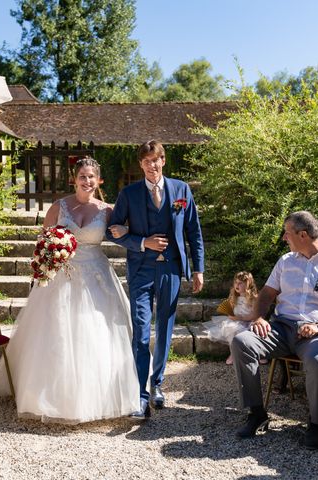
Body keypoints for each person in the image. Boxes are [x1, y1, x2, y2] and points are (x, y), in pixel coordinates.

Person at [0, 157, 139, 423]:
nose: (87, 181)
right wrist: (48, 260)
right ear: (74, 178)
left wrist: (128, 232)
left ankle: (97, 396)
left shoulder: (108, 210)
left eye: (92, 176)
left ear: (99, 180)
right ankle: (49, 395)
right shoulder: (59, 207)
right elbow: (44, 242)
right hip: (62, 276)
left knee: (96, 333)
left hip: (96, 276)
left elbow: (124, 233)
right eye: (82, 176)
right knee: (55, 333)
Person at [231, 211, 318, 449]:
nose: (283, 238)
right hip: (280, 328)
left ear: (303, 235)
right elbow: (267, 294)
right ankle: (257, 414)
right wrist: (259, 316)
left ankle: (315, 424)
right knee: (242, 342)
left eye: (287, 233)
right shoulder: (285, 261)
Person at [106, 140, 205, 419]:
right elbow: (112, 230)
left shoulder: (181, 190)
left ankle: (157, 383)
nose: (152, 165)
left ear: (163, 161)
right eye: (146, 161)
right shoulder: (129, 194)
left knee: (164, 327)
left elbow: (193, 232)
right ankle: (140, 394)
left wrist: (198, 269)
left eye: (156, 160)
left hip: (172, 269)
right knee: (140, 327)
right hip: (141, 270)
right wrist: (142, 242)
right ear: (141, 164)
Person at [206, 271, 259, 365]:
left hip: (249, 321)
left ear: (248, 284)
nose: (237, 285)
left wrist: (240, 318)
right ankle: (233, 354)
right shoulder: (233, 296)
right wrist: (231, 316)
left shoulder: (253, 298)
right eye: (235, 282)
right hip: (236, 322)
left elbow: (254, 315)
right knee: (231, 328)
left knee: (254, 330)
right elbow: (230, 310)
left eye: (240, 283)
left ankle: (257, 354)